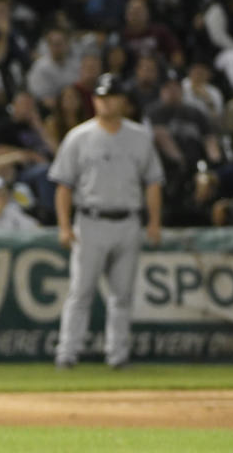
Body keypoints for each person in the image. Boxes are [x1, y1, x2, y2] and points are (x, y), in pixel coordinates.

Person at [48, 74, 164, 370]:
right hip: (90, 221)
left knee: (122, 295)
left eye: (111, 96)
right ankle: (67, 353)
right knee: (80, 292)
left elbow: (153, 182)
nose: (105, 102)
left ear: (124, 101)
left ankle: (118, 355)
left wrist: (154, 222)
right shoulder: (78, 136)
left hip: (128, 221)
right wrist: (64, 226)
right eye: (100, 97)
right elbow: (63, 186)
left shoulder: (139, 136)